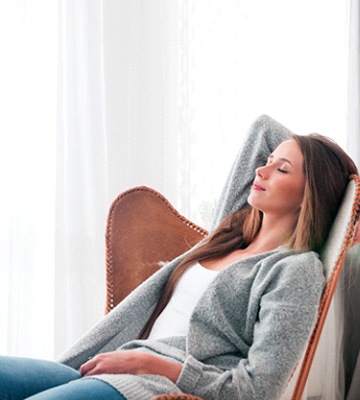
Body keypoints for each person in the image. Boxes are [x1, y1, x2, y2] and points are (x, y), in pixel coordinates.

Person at [0, 115, 359, 400]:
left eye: (281, 170)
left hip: (158, 387)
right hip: (116, 364)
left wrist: (154, 366)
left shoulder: (295, 271)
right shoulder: (230, 232)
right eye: (267, 161)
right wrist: (299, 158)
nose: (261, 171)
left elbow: (257, 390)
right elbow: (263, 128)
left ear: (310, 194)